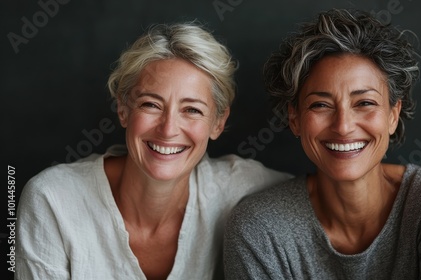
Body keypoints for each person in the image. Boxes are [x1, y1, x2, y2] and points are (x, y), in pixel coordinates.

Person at [15, 22, 291, 280]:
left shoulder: (239, 188)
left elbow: (319, 196)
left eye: (192, 110)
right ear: (123, 108)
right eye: (151, 104)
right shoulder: (53, 201)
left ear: (218, 122)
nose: (168, 129)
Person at [224, 8, 421, 279]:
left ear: (393, 115)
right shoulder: (261, 227)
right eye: (321, 105)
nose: (343, 126)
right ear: (295, 118)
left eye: (365, 103)